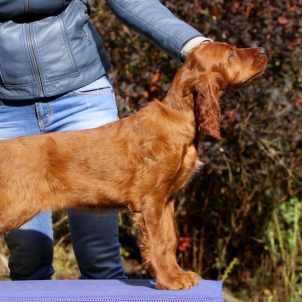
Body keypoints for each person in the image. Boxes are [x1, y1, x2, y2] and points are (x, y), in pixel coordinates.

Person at [0, 0, 212, 280]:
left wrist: (194, 45)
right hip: (7, 102)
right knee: (27, 253)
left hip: (80, 94)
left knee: (99, 252)